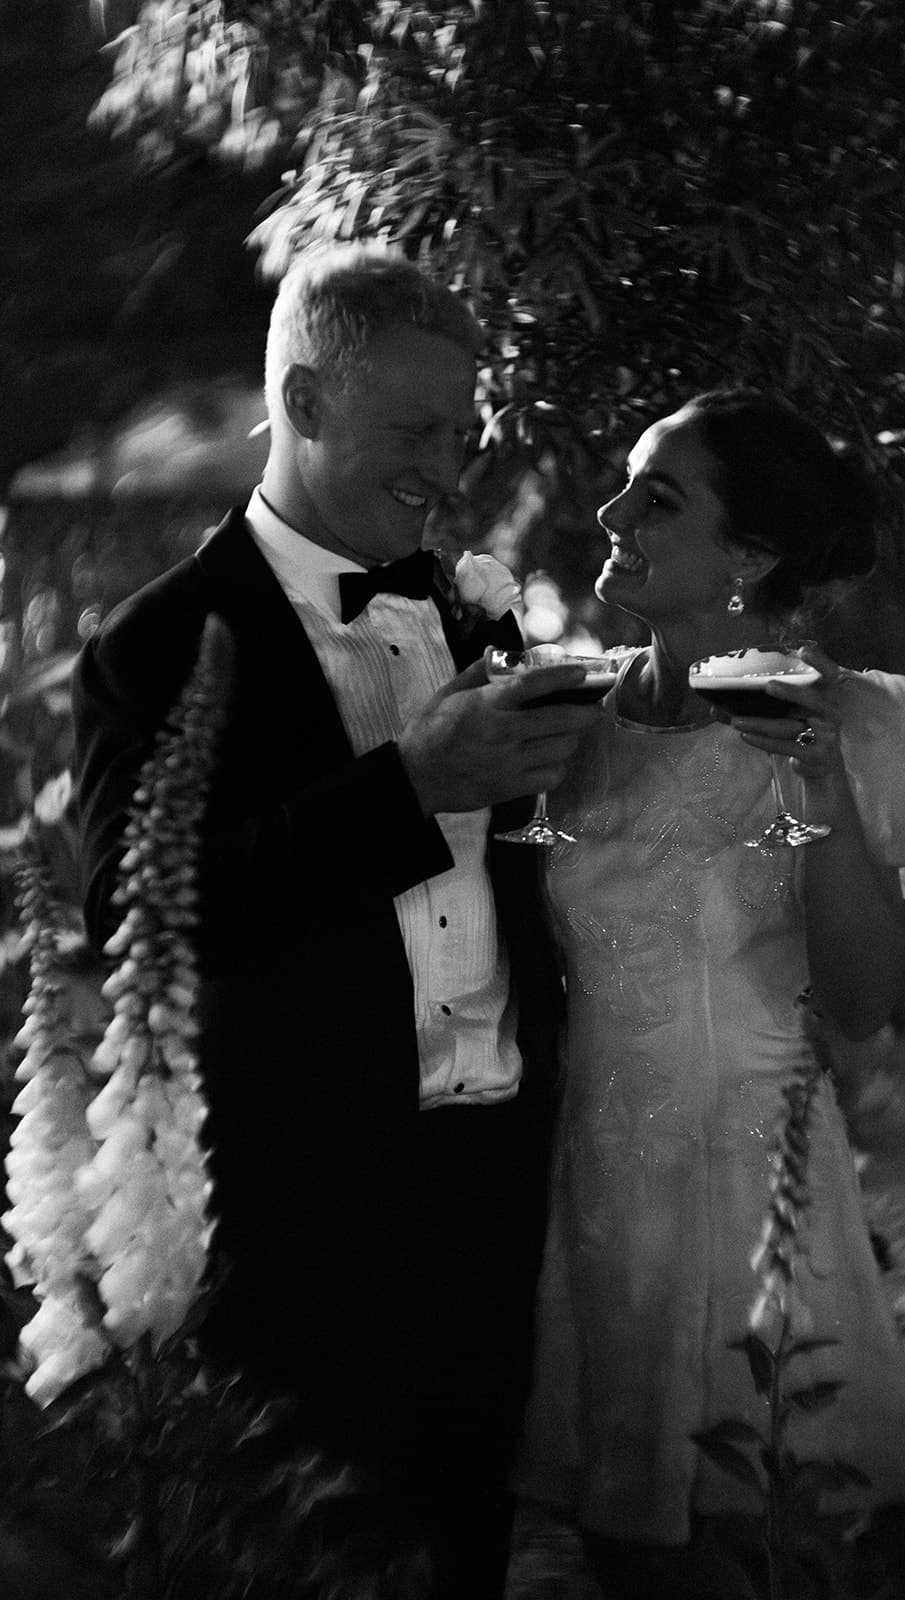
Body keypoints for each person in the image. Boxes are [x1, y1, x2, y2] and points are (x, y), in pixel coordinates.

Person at [71, 244, 600, 1599]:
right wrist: (411, 787)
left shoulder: (472, 620)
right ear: (302, 406)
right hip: (308, 1209)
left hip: (491, 1182)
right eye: (414, 431)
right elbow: (148, 916)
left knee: (468, 1548)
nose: (447, 467)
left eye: (459, 434)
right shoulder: (152, 646)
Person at [516, 388, 905, 1596]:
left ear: (749, 557)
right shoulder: (565, 717)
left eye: (659, 496)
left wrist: (825, 796)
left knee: (757, 1549)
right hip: (591, 1199)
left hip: (752, 1194)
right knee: (622, 1546)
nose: (612, 509)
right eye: (628, 481)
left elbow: (863, 1004)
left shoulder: (841, 722)